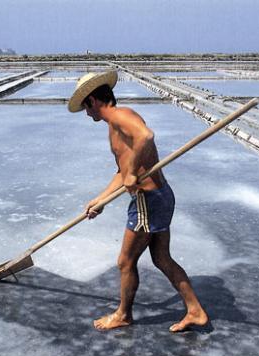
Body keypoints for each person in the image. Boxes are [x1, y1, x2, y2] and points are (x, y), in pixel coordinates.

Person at [68, 70, 209, 332]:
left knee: (125, 261)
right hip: (158, 196)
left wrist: (133, 172)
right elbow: (122, 171)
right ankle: (195, 310)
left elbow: (146, 136)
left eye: (85, 108)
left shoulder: (121, 117)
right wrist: (101, 199)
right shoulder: (115, 124)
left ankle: (123, 314)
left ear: (93, 101)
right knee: (162, 258)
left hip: (148, 200)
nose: (86, 114)